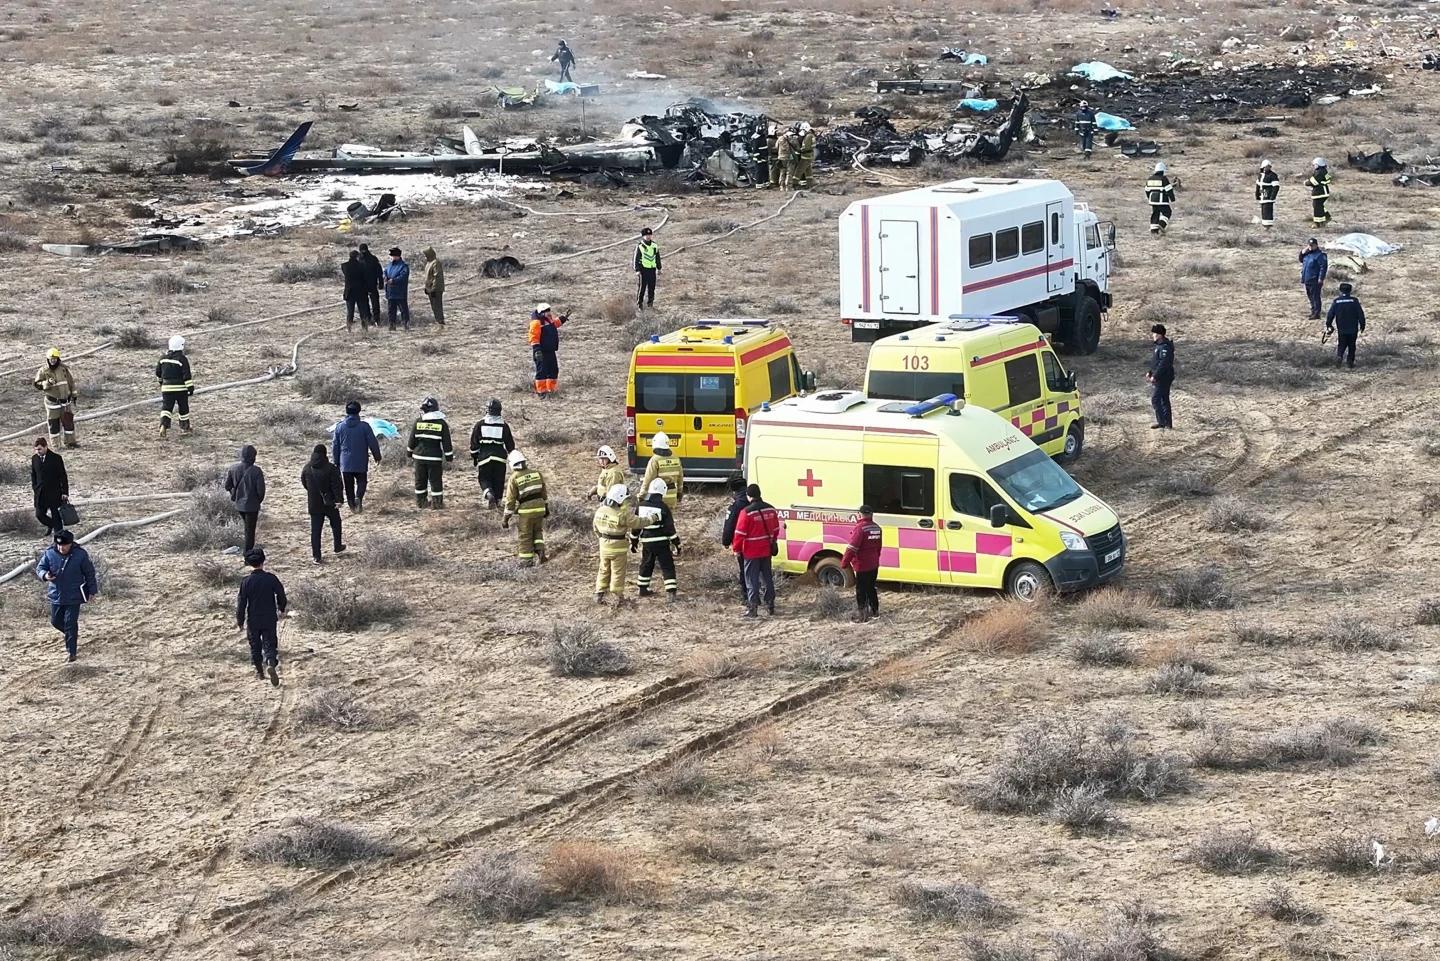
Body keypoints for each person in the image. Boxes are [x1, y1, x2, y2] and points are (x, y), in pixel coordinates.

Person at [36, 530, 97, 662]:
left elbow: (89, 573)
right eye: (59, 545)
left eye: (64, 545)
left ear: (70, 544)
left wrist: (92, 591)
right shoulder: (49, 553)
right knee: (56, 622)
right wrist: (45, 575)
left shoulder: (80, 555)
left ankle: (71, 652)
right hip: (56, 595)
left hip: (74, 595)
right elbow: (40, 568)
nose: (61, 548)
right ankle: (71, 635)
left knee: (70, 622)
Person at [236, 548, 287, 686]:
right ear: (263, 561)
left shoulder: (246, 581)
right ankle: (270, 661)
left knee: (255, 645)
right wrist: (281, 608)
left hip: (253, 618)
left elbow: (241, 602)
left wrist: (240, 620)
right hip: (269, 617)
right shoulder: (271, 578)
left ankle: (259, 671)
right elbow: (281, 594)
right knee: (270, 642)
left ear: (249, 563)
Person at [732, 483, 781, 618]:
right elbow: (776, 529)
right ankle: (770, 605)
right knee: (767, 578)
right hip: (766, 550)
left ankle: (753, 608)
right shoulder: (771, 509)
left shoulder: (746, 512)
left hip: (751, 552)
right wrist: (772, 540)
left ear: (749, 496)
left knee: (751, 580)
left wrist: (736, 549)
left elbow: (739, 534)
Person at [593, 483, 640, 605]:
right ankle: (617, 597)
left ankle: (599, 593)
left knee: (603, 569)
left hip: (604, 546)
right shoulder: (622, 514)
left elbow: (596, 529)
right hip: (618, 548)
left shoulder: (600, 510)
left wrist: (603, 539)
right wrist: (653, 518)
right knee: (618, 572)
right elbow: (637, 523)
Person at [635, 478, 681, 603]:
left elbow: (636, 526)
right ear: (663, 492)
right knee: (667, 566)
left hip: (647, 542)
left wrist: (634, 541)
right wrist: (677, 543)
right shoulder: (663, 507)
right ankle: (670, 592)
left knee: (646, 564)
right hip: (662, 543)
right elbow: (670, 529)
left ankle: (642, 588)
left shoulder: (640, 506)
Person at [332, 400, 382, 512]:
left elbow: (335, 445)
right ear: (359, 411)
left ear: (346, 411)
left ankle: (352, 506)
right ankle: (359, 497)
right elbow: (373, 442)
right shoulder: (365, 426)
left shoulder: (339, 427)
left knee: (348, 485)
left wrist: (336, 461)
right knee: (362, 481)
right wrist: (377, 456)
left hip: (345, 462)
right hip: (361, 460)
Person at [300, 444, 346, 564]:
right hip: (329, 503)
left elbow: (304, 483)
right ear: (325, 454)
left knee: (315, 531)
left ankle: (316, 556)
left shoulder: (307, 468)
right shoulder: (331, 468)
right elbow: (337, 486)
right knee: (336, 523)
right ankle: (337, 546)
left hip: (314, 503)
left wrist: (313, 493)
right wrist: (339, 500)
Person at [407, 396, 454, 509]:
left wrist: (409, 452)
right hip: (434, 458)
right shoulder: (441, 424)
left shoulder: (418, 422)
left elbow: (412, 440)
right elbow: (446, 443)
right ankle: (437, 503)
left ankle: (421, 502)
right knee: (435, 481)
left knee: (420, 480)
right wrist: (449, 457)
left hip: (419, 457)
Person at [503, 449, 548, 565]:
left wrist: (506, 519)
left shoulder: (514, 478)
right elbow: (544, 493)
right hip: (540, 508)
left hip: (526, 511)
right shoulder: (536, 473)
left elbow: (510, 501)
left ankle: (526, 561)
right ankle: (541, 552)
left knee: (525, 535)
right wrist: (546, 508)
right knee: (537, 531)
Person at [470, 398, 515, 509]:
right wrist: (512, 457)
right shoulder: (504, 426)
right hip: (500, 458)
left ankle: (489, 493)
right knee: (499, 480)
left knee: (484, 479)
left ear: (487, 410)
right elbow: (510, 445)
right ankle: (498, 502)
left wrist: (474, 456)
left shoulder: (480, 424)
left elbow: (474, 443)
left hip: (484, 458)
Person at [841, 505, 883, 622]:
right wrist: (875, 558)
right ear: (871, 514)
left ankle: (863, 616)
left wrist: (844, 563)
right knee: (871, 588)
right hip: (874, 564)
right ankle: (875, 612)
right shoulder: (877, 528)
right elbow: (879, 548)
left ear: (860, 514)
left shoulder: (860, 528)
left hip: (862, 565)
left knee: (861, 590)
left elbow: (852, 548)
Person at [33, 348, 78, 448]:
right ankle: (56, 445)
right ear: (48, 359)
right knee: (54, 424)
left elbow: (71, 382)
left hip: (65, 402)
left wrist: (74, 395)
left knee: (68, 423)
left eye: (55, 358)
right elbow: (37, 384)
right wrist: (47, 383)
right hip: (52, 403)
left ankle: (70, 442)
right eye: (51, 359)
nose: (53, 360)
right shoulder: (43, 370)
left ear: (58, 359)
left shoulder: (64, 369)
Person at [224, 444, 266, 553]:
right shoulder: (257, 471)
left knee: (247, 529)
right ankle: (248, 554)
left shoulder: (233, 468)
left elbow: (227, 486)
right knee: (250, 531)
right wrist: (257, 501)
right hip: (252, 506)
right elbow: (261, 491)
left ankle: (247, 552)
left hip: (239, 505)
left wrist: (235, 495)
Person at [155, 334, 194, 436]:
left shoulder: (162, 359)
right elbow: (186, 375)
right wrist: (190, 388)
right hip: (181, 389)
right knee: (183, 407)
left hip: (166, 388)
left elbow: (158, 373)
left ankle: (163, 425)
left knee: (166, 407)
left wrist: (161, 383)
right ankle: (185, 427)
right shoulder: (182, 359)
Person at [30, 436, 69, 538]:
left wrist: (65, 492)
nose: (38, 452)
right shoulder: (34, 459)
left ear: (46, 447)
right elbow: (33, 474)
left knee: (56, 515)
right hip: (40, 492)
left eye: (39, 449)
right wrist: (35, 487)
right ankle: (51, 525)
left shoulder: (56, 458)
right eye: (36, 449)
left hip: (54, 492)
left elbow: (63, 476)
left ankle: (59, 536)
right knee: (39, 514)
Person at [719, 474, 749, 603]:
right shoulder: (754, 500)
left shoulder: (736, 505)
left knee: (745, 570)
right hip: (761, 542)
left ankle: (747, 597)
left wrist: (726, 541)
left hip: (742, 544)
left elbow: (729, 525)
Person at [1326, 282, 1366, 369]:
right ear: (1350, 290)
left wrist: (1329, 324)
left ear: (1340, 290)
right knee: (1352, 345)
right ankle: (1350, 362)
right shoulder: (1354, 301)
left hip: (1341, 327)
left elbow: (1330, 314)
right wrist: (1362, 325)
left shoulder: (1337, 301)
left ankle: (1339, 356)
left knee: (1341, 344)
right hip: (1353, 327)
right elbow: (1360, 314)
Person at [528, 302, 565, 398]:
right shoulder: (536, 323)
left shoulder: (548, 319)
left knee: (553, 370)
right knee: (542, 371)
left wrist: (562, 319)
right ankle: (541, 392)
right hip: (541, 351)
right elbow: (533, 337)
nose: (549, 312)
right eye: (546, 311)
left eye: (549, 310)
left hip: (550, 350)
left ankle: (551, 390)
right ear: (541, 313)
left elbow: (554, 324)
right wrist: (537, 350)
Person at [641, 432, 683, 508]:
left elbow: (648, 479)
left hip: (658, 497)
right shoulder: (676, 459)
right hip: (672, 497)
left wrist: (642, 495)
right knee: (669, 515)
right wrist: (679, 492)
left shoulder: (655, 460)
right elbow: (680, 478)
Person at [1146, 323, 1175, 430]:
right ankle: (1166, 423)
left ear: (1160, 335)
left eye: (1154, 334)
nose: (1153, 335)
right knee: (1163, 399)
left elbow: (1164, 364)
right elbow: (1156, 362)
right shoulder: (1159, 346)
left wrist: (1155, 376)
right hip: (1161, 377)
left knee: (1156, 399)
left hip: (1164, 377)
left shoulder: (1164, 347)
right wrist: (1150, 372)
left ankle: (1162, 422)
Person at [342, 249, 373, 331]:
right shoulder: (362, 266)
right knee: (363, 312)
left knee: (350, 312)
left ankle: (349, 329)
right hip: (361, 291)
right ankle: (365, 328)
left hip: (349, 291)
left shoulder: (344, 266)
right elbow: (365, 278)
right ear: (357, 256)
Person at [1299, 237, 1328, 320]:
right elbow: (1301, 260)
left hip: (1315, 280)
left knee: (1315, 297)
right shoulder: (1307, 254)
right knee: (1310, 296)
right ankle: (1313, 311)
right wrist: (1302, 252)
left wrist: (1321, 278)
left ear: (1316, 245)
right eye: (1309, 245)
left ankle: (1316, 313)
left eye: (1312, 245)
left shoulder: (1320, 255)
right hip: (1307, 279)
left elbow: (1323, 267)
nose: (1310, 247)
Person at [384, 247, 411, 331]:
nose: (392, 257)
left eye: (393, 256)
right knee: (391, 310)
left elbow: (403, 276)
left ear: (398, 256)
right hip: (390, 292)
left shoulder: (403, 266)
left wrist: (394, 280)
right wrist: (385, 277)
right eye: (391, 256)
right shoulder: (389, 265)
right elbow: (385, 272)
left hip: (400, 292)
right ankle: (392, 325)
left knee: (403, 310)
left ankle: (405, 325)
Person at [634, 228, 661, 310]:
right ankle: (640, 304)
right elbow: (636, 259)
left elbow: (657, 257)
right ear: (643, 236)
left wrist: (659, 268)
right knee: (642, 288)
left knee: (652, 288)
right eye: (646, 235)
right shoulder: (640, 246)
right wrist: (637, 270)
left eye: (649, 235)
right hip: (643, 270)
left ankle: (650, 304)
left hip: (652, 269)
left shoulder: (654, 245)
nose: (648, 236)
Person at [1144, 162, 1174, 235]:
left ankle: (1154, 231)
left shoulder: (1150, 179)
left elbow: (1147, 190)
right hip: (1162, 200)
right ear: (1163, 171)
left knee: (1155, 214)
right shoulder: (1163, 179)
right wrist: (1172, 198)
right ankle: (1161, 224)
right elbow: (1169, 189)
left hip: (1153, 201)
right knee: (1167, 212)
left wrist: (1149, 198)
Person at [358, 243, 383, 322]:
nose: (363, 251)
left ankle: (376, 319)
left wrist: (381, 282)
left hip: (372, 284)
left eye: (364, 250)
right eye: (362, 250)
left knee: (375, 303)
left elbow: (379, 271)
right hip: (362, 285)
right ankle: (368, 318)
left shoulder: (373, 259)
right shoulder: (359, 259)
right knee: (364, 303)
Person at [422, 246, 445, 326]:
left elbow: (437, 276)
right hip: (430, 289)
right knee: (434, 307)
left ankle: (440, 322)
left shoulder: (436, 263)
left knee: (437, 306)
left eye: (426, 255)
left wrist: (434, 289)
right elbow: (428, 277)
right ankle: (438, 321)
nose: (425, 257)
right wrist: (426, 287)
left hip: (435, 289)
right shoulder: (429, 263)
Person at [1254, 159, 1280, 228]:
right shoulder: (1260, 175)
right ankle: (1264, 225)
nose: (1267, 168)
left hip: (1268, 197)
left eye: (1269, 167)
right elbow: (1258, 186)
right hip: (1263, 196)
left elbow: (1276, 187)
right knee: (1263, 211)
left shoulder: (1273, 175)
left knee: (1267, 211)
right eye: (1266, 167)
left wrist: (1272, 197)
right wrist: (1257, 195)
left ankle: (1268, 226)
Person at [1308, 157, 1332, 226]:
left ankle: (1318, 223)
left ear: (1317, 164)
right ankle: (1327, 217)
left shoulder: (1319, 172)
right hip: (1324, 192)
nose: (1314, 166)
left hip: (1320, 193)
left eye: (1314, 165)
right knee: (1319, 206)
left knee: (1317, 207)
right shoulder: (1324, 171)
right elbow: (1328, 179)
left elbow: (1313, 182)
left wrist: (1306, 183)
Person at [794, 122, 816, 187]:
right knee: (808, 170)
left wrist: (799, 150)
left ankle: (794, 183)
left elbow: (806, 147)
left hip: (806, 156)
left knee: (799, 170)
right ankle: (810, 183)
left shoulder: (808, 136)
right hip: (809, 155)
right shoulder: (811, 135)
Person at [776, 124, 794, 190]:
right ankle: (788, 186)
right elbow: (787, 148)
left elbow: (776, 146)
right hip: (787, 157)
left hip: (780, 157)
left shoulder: (779, 138)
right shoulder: (786, 140)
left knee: (782, 172)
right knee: (789, 172)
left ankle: (781, 186)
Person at [765, 122, 781, 189]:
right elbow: (768, 150)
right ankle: (773, 182)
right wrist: (770, 157)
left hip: (778, 156)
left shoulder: (776, 139)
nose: (776, 133)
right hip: (773, 156)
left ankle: (777, 181)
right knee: (773, 170)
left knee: (777, 169)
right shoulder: (769, 140)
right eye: (775, 132)